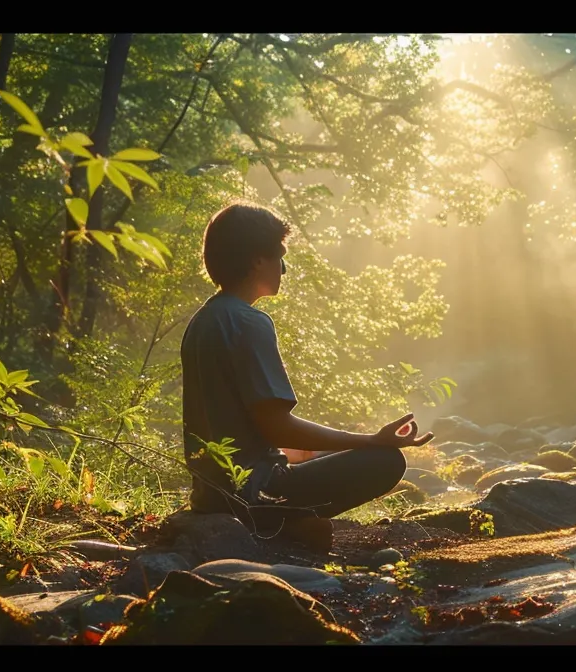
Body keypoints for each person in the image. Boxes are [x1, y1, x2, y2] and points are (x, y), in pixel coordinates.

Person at [180, 201, 432, 524]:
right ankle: (283, 525)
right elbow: (278, 428)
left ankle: (285, 521)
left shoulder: (202, 321)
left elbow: (251, 428)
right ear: (258, 260)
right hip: (257, 493)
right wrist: (372, 440)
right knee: (386, 461)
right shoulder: (249, 322)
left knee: (336, 453)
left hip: (211, 495)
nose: (284, 269)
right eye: (280, 257)